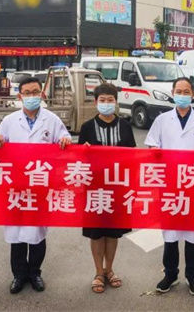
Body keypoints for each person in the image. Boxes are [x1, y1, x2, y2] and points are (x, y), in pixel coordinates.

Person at [0, 76, 72, 294]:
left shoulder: (52, 120)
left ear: (42, 94)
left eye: (35, 92)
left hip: (39, 186)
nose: (32, 96)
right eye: (27, 93)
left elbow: (64, 138)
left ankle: (35, 273)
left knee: (37, 232)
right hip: (16, 186)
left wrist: (64, 141)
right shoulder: (9, 121)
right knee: (17, 234)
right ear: (20, 97)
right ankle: (18, 275)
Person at [145, 77, 194, 296]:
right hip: (169, 184)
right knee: (171, 233)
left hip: (193, 183)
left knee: (193, 233)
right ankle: (171, 274)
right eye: (179, 90)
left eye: (186, 91)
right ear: (173, 92)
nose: (183, 94)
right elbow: (152, 146)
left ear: (193, 94)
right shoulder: (162, 120)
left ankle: (192, 275)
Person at [77, 83, 136, 293]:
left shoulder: (126, 126)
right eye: (102, 100)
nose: (106, 104)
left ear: (116, 102)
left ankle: (109, 269)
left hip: (118, 189)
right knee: (96, 233)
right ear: (95, 102)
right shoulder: (86, 128)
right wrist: (81, 152)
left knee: (112, 233)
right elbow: (78, 160)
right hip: (94, 189)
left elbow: (133, 157)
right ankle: (98, 272)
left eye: (110, 100)